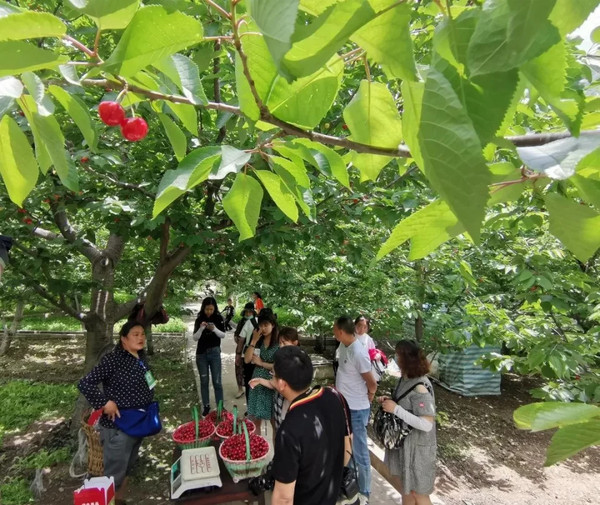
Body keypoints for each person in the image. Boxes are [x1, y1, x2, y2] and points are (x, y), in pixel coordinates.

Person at [78, 321, 157, 505]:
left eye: (142, 334)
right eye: (135, 334)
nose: (140, 338)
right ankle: (108, 499)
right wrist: (105, 403)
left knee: (127, 468)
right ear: (123, 339)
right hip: (119, 427)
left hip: (138, 424)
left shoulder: (141, 358)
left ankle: (119, 499)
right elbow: (85, 383)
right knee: (113, 475)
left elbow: (149, 383)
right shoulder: (113, 360)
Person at [271, 346, 352, 505]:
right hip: (332, 496)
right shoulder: (336, 396)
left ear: (281, 384)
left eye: (272, 375)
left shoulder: (288, 430)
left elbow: (284, 498)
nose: (272, 379)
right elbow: (347, 451)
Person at [378, 340, 436, 505]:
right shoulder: (405, 379)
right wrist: (389, 402)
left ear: (406, 359)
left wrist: (396, 409)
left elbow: (426, 424)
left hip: (418, 450)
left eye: (398, 355)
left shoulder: (421, 387)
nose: (394, 358)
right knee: (406, 490)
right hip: (405, 446)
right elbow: (405, 403)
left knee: (419, 494)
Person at [334, 315, 377, 503]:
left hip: (357, 410)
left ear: (341, 331)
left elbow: (372, 382)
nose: (333, 332)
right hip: (345, 407)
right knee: (348, 451)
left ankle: (365, 493)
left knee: (360, 453)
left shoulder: (358, 352)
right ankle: (350, 487)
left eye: (334, 329)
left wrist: (370, 396)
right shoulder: (344, 346)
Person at [249, 326, 299, 432]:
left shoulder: (298, 361)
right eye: (280, 343)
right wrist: (260, 381)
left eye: (284, 343)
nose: (281, 346)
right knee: (278, 431)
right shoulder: (281, 359)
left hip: (292, 405)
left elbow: (282, 386)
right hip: (279, 403)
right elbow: (275, 383)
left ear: (295, 343)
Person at [244, 308, 278, 434]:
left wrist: (261, 363)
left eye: (266, 325)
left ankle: (277, 452)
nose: (263, 328)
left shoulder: (279, 342)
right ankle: (258, 450)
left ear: (272, 325)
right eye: (261, 325)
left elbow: (279, 366)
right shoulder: (258, 340)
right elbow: (247, 360)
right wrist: (253, 341)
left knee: (274, 422)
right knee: (255, 421)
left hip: (271, 384)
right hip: (256, 384)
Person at [192, 297, 226, 417]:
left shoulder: (218, 318)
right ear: (203, 308)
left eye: (211, 309)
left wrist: (214, 329)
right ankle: (206, 405)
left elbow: (223, 335)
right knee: (204, 381)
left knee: (217, 381)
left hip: (215, 353)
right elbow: (195, 338)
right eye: (207, 309)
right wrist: (201, 328)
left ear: (215, 308)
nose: (209, 312)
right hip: (201, 354)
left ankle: (220, 407)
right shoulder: (199, 319)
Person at [234, 302, 258, 400]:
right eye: (246, 312)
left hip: (252, 351)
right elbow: (238, 336)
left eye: (250, 312)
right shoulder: (242, 322)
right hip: (244, 349)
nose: (248, 314)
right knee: (239, 369)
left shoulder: (254, 322)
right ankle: (240, 389)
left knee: (251, 376)